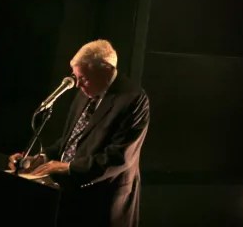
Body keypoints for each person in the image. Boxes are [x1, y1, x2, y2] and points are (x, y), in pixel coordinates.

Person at [8, 40, 150, 227]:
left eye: (83, 78)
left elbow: (119, 158)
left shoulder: (133, 99)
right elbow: (70, 140)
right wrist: (40, 159)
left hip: (105, 201)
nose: (78, 85)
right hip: (71, 197)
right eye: (76, 77)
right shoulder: (87, 89)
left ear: (106, 70)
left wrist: (67, 167)